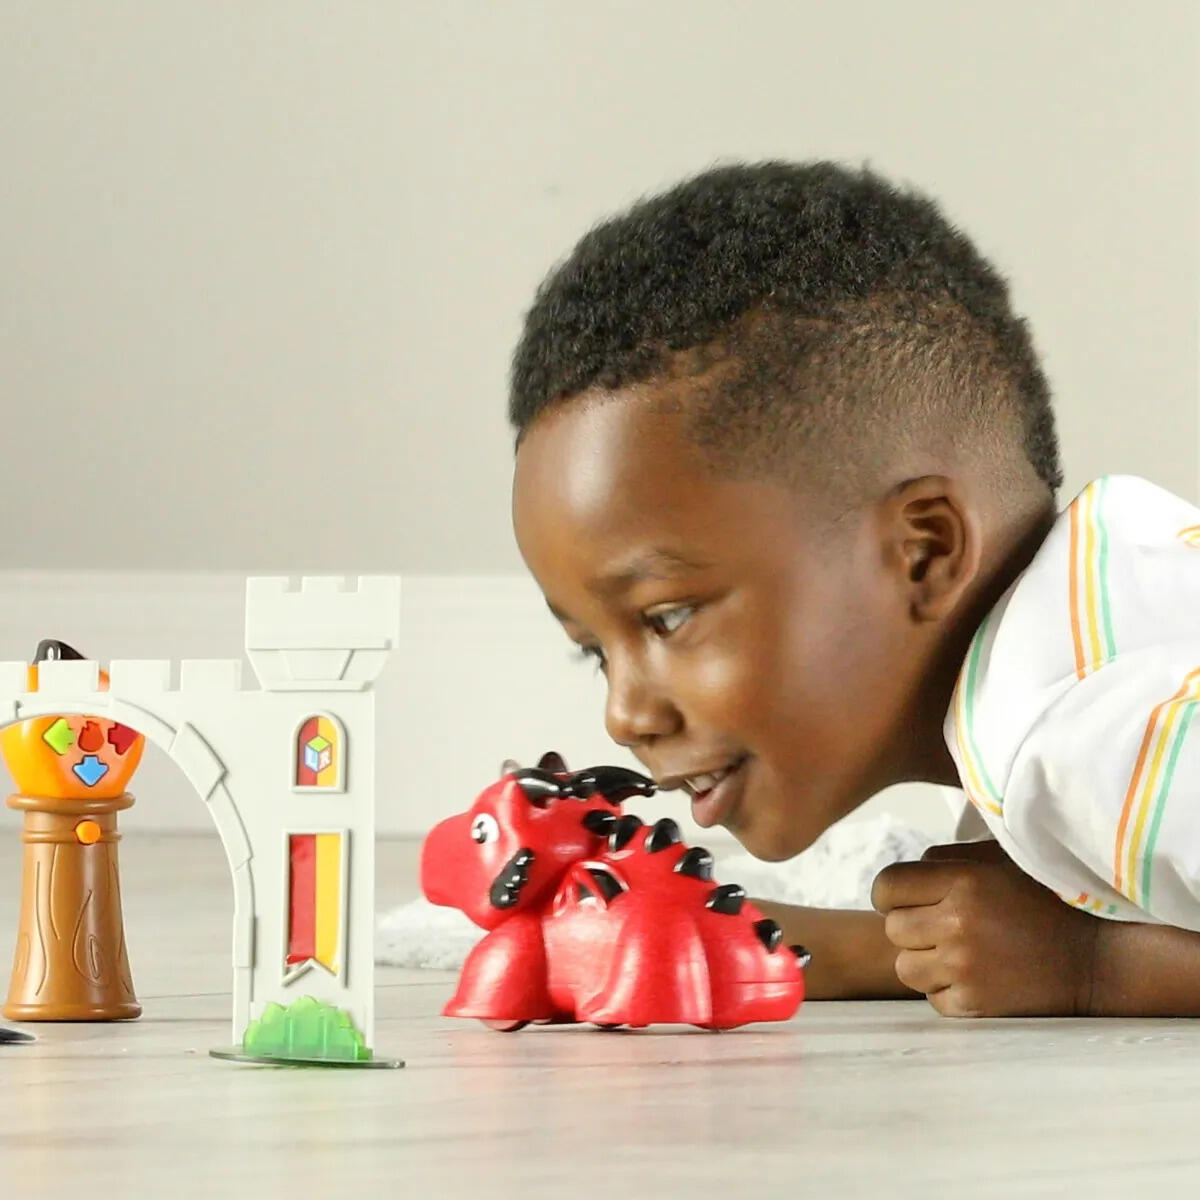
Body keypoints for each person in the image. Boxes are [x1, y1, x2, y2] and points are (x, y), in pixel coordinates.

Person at [506, 161, 1200, 1018]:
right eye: (594, 653)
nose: (625, 717)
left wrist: (1094, 966)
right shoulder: (1098, 611)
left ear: (923, 552)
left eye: (668, 616)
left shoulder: (1084, 746)